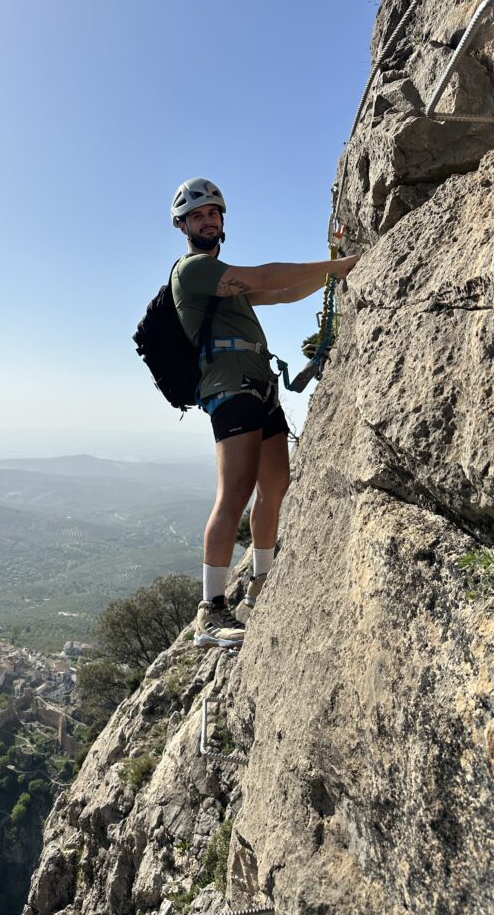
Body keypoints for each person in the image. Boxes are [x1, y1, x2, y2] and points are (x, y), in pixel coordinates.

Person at [170, 177, 359, 648]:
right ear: (183, 225)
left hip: (260, 384)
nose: (208, 220)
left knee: (275, 485)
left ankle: (260, 584)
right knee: (234, 490)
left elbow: (281, 294)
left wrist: (334, 275)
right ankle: (210, 612)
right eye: (198, 215)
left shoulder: (222, 284)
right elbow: (265, 276)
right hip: (229, 387)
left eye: (214, 213)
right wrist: (335, 264)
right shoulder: (192, 272)